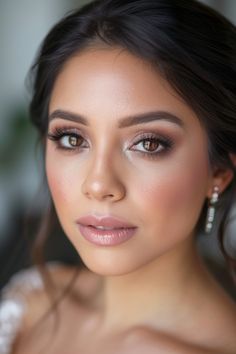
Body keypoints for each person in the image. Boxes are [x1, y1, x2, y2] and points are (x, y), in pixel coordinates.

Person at [1, 0, 236, 353]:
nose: (98, 184)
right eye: (72, 138)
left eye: (149, 144)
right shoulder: (29, 301)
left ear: (218, 171)